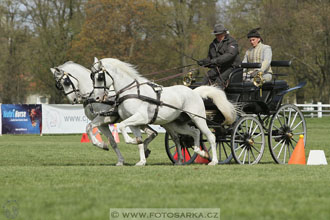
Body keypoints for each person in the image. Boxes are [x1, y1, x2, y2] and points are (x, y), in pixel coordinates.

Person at [197, 24, 241, 88]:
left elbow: (230, 55)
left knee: (219, 80)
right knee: (207, 77)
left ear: (224, 33)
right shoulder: (212, 45)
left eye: (219, 34)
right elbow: (210, 59)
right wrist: (204, 62)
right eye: (216, 34)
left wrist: (215, 61)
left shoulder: (232, 42)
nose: (217, 36)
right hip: (218, 68)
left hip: (231, 67)